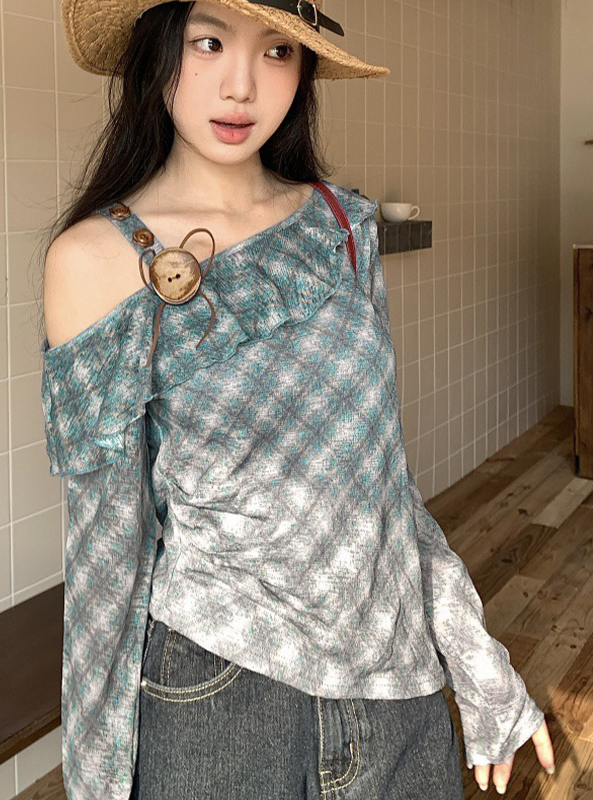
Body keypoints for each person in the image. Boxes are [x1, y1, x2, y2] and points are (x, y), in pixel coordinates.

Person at [39, 0, 556, 797]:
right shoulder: (94, 260)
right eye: (208, 42)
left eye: (278, 51)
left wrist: (478, 659)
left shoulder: (340, 226)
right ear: (159, 50)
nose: (242, 85)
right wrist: (95, 774)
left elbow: (382, 484)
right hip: (217, 693)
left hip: (394, 680)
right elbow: (107, 546)